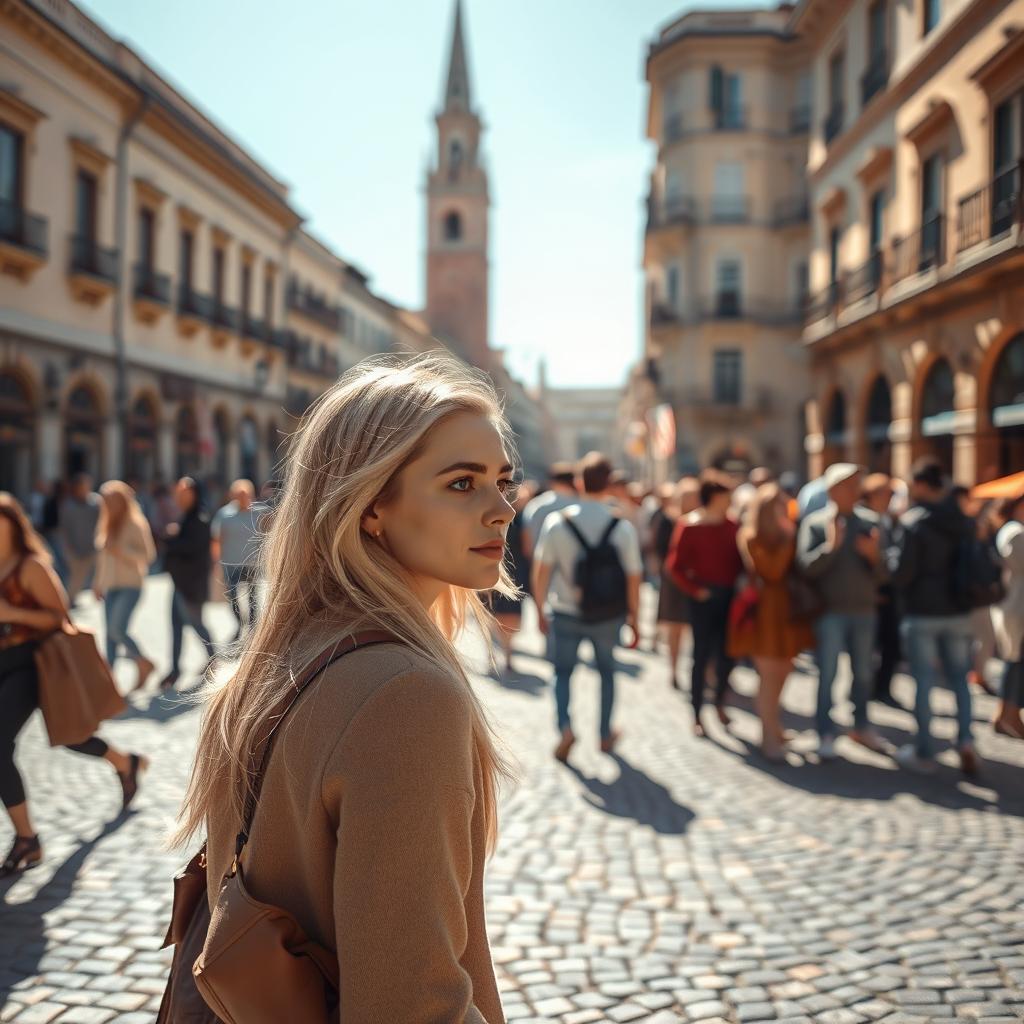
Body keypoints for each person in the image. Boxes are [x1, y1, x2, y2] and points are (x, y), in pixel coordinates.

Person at [169, 353, 514, 1019]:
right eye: (463, 484)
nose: (502, 508)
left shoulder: (280, 659)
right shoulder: (408, 694)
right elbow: (411, 1006)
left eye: (504, 480)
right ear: (372, 505)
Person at [0, 493, 147, 877]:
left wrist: (12, 612)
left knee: (1, 746)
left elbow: (58, 617)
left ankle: (27, 840)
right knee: (70, 735)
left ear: (13, 526)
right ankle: (126, 762)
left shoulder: (30, 567)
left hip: (33, 664)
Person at [533, 452, 642, 762]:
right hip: (608, 613)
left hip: (566, 610)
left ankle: (565, 727)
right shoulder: (621, 526)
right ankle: (605, 733)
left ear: (579, 481)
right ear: (609, 484)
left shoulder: (558, 522)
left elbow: (542, 571)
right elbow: (635, 577)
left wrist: (541, 609)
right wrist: (634, 618)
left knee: (563, 673)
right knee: (607, 672)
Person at [888, 459, 979, 775]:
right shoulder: (962, 520)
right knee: (960, 679)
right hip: (958, 609)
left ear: (922, 485)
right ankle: (966, 740)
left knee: (925, 681)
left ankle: (926, 747)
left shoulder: (914, 522)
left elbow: (902, 572)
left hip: (923, 611)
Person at [797, 463, 888, 760]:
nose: (853, 490)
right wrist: (831, 547)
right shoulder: (815, 523)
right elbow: (806, 569)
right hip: (829, 612)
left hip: (864, 611)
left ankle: (861, 725)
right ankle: (824, 730)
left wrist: (874, 557)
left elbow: (886, 574)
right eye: (847, 484)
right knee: (828, 674)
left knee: (863, 673)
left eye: (856, 484)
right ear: (832, 490)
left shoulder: (870, 521)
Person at [728, 483, 815, 762]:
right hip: (765, 612)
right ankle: (767, 736)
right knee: (768, 674)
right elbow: (772, 571)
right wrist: (789, 540)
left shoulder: (785, 534)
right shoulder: (751, 536)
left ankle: (775, 727)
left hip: (787, 612)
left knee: (785, 669)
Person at [665, 470, 742, 736]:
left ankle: (720, 701)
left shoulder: (733, 526)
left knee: (729, 655)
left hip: (729, 596)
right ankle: (697, 712)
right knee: (700, 656)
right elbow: (674, 567)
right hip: (702, 599)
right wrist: (695, 591)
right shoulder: (690, 525)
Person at [93, 481, 157, 692]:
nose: (106, 505)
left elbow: (149, 556)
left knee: (116, 629)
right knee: (109, 637)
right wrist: (97, 583)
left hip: (131, 585)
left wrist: (122, 550)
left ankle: (143, 662)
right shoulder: (106, 523)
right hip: (111, 586)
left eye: (109, 501)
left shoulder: (135, 523)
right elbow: (103, 558)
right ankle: (109, 683)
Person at [159, 477, 215, 691]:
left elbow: (191, 548)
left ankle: (214, 659)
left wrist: (170, 539)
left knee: (197, 625)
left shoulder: (199, 518)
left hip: (190, 585)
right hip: (180, 583)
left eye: (184, 494)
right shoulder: (187, 517)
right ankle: (174, 670)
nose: (179, 498)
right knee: (175, 627)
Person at [861, 473, 903, 709]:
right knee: (869, 647)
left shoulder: (889, 519)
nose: (890, 498)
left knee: (890, 645)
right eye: (887, 493)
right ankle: (867, 690)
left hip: (888, 590)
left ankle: (882, 688)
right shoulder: (865, 520)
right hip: (872, 592)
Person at [656, 477, 699, 691]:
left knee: (696, 628)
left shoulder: (699, 521)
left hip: (694, 581)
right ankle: (673, 669)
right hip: (674, 582)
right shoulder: (668, 521)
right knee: (674, 629)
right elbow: (661, 551)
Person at [211, 479, 264, 643]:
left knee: (253, 597)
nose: (243, 498)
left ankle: (254, 630)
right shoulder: (224, 514)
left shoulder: (259, 512)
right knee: (232, 596)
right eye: (239, 495)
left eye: (246, 495)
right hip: (231, 563)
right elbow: (216, 539)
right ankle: (240, 623)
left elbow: (266, 536)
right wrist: (215, 562)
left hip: (252, 563)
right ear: (233, 496)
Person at [489, 483, 532, 675]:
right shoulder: (520, 518)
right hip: (514, 570)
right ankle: (507, 654)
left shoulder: (490, 513)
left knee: (490, 613)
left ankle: (491, 656)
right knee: (510, 616)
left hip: (493, 566)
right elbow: (527, 547)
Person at [993, 493, 1024, 739]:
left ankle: (1006, 713)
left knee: (1014, 662)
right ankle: (1009, 714)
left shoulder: (1013, 530)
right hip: (1017, 607)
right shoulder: (1015, 532)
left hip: (1015, 605)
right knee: (1015, 662)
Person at [519, 462, 577, 561]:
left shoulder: (535, 505)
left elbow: (527, 546)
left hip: (540, 565)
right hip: (577, 568)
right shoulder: (579, 504)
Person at [59, 472, 101, 604]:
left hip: (94, 546)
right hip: (75, 548)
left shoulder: (96, 502)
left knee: (102, 573)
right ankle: (68, 600)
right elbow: (64, 528)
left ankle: (101, 595)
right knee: (77, 577)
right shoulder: (68, 505)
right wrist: (68, 547)